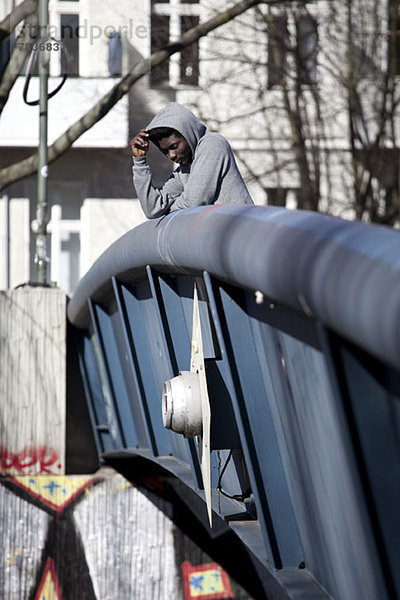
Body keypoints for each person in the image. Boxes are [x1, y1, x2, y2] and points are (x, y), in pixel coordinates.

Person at [130, 102, 253, 219]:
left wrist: (168, 210)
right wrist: (139, 161)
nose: (171, 155)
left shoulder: (212, 144)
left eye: (174, 146)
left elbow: (193, 204)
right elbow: (153, 210)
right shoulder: (183, 171)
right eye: (165, 151)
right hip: (221, 237)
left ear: (188, 134)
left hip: (244, 235)